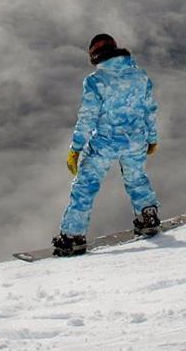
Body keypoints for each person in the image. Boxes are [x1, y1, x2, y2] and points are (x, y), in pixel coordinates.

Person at [52, 33, 161, 257]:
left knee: (85, 187)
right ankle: (148, 217)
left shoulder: (95, 81)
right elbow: (149, 110)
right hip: (135, 141)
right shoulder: (140, 76)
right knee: (136, 178)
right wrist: (152, 138)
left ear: (95, 56)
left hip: (105, 143)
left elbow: (88, 118)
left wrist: (76, 148)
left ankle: (72, 237)